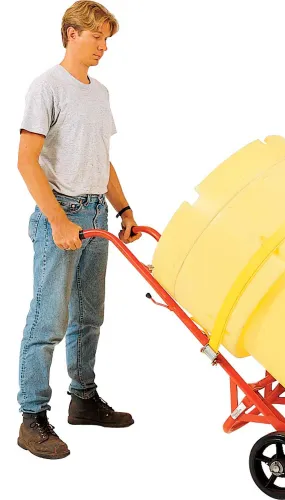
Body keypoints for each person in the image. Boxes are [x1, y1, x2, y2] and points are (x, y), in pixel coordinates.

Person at [17, 1, 141, 460]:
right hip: (62, 215)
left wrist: (124, 208)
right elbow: (26, 161)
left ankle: (83, 399)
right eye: (97, 37)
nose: (104, 47)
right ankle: (32, 418)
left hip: (95, 215)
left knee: (90, 316)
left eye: (107, 39)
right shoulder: (47, 86)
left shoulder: (100, 92)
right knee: (49, 320)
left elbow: (101, 160)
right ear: (72, 34)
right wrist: (57, 220)